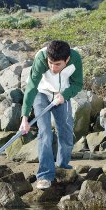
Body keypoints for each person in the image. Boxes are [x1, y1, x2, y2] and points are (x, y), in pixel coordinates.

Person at [19, 40, 83, 189]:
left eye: (58, 65)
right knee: (45, 132)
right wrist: (25, 118)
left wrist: (65, 95)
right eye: (50, 63)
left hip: (61, 95)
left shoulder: (75, 59)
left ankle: (63, 167)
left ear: (66, 60)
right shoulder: (41, 58)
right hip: (41, 93)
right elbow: (32, 87)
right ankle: (45, 175)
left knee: (66, 131)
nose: (53, 68)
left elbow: (77, 84)